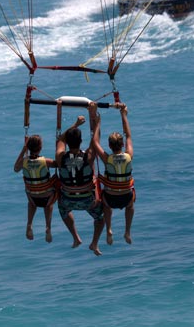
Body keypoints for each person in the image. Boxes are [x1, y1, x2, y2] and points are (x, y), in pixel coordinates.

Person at [55, 113, 105, 256]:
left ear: (68, 143)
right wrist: (97, 124)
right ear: (81, 141)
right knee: (100, 218)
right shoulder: (88, 157)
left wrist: (75, 125)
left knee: (63, 210)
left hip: (68, 201)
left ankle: (76, 237)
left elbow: (60, 139)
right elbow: (95, 142)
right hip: (89, 201)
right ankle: (94, 243)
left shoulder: (60, 157)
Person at [91, 102, 135, 245]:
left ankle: (109, 229)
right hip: (126, 197)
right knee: (130, 206)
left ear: (109, 146)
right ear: (122, 145)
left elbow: (95, 141)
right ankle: (127, 231)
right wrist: (123, 115)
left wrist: (98, 123)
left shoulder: (107, 159)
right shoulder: (129, 156)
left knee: (107, 206)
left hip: (110, 198)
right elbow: (128, 135)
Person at [14, 135, 57, 243]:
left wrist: (24, 149)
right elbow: (58, 164)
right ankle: (48, 227)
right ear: (40, 148)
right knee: (49, 204)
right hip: (47, 198)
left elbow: (15, 169)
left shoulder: (24, 162)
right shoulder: (46, 161)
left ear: (28, 148)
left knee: (32, 203)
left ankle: (29, 224)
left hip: (32, 198)